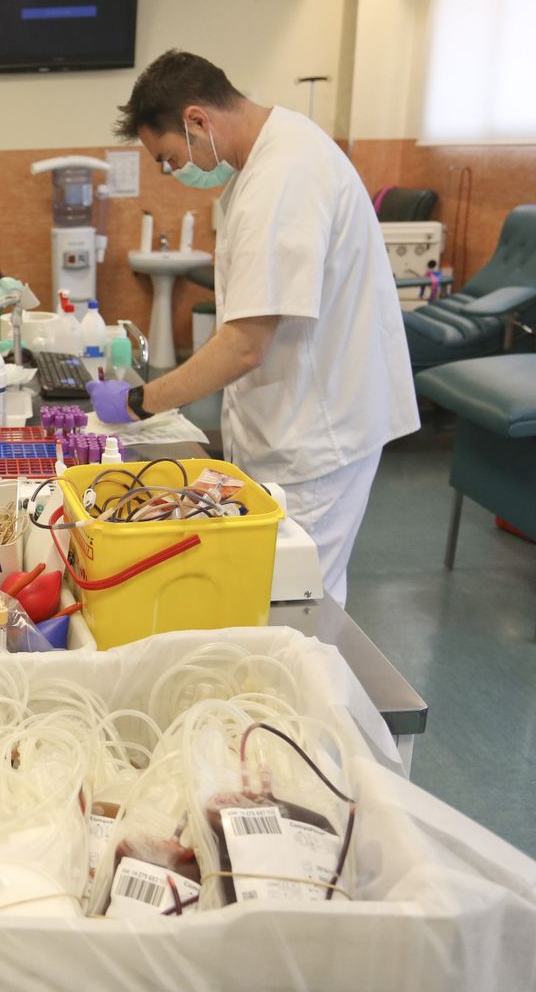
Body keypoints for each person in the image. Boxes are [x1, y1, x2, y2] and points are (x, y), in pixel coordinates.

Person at [87, 50, 418, 603]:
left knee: (298, 604)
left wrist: (141, 402)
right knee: (277, 593)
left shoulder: (281, 177)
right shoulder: (273, 158)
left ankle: (321, 691)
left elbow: (244, 345)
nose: (173, 173)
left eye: (169, 158)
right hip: (295, 418)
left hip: (316, 435)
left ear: (197, 120)